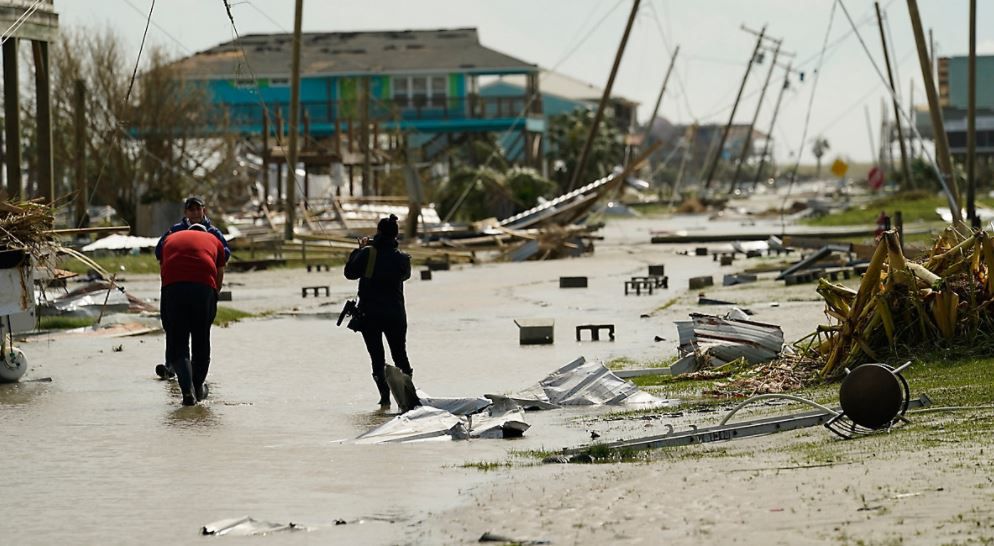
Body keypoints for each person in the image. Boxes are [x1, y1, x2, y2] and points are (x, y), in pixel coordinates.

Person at [154, 196, 230, 379]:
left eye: (198, 209)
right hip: (177, 284)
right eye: (191, 210)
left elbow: (224, 254)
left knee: (199, 332)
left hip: (203, 284)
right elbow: (159, 251)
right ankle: (172, 365)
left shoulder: (214, 233)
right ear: (186, 212)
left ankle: (195, 374)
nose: (195, 213)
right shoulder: (175, 230)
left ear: (204, 210)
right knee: (174, 328)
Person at [344, 214, 413, 406]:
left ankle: (385, 398)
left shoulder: (368, 254)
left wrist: (358, 250)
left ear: (379, 232)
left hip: (370, 315)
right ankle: (407, 395)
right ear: (395, 235)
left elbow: (349, 273)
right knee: (400, 355)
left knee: (377, 357)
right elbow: (404, 276)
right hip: (395, 315)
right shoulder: (403, 259)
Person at [158, 223, 226, 406]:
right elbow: (219, 273)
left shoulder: (169, 238)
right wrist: (213, 296)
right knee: (201, 339)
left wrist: (167, 297)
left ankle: (188, 392)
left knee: (178, 344)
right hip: (203, 288)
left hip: (173, 287)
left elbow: (164, 269)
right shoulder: (214, 240)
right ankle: (197, 388)